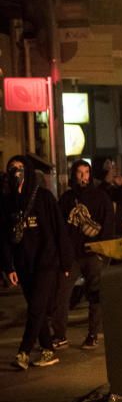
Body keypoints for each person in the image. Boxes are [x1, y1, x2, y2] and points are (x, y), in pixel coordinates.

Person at [1, 157, 73, 369]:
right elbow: (4, 238)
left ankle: (23, 351)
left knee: (36, 307)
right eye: (11, 169)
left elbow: (59, 229)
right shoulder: (7, 202)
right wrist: (9, 267)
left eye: (20, 168)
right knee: (36, 307)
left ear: (28, 172)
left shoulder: (43, 197)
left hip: (46, 261)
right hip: (24, 263)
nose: (16, 173)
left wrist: (65, 262)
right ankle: (48, 349)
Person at [51, 159, 116, 351]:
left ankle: (93, 334)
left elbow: (108, 225)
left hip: (93, 253)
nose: (83, 177)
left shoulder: (100, 197)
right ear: (74, 175)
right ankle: (60, 335)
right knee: (61, 295)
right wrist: (62, 254)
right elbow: (59, 228)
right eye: (80, 173)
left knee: (95, 294)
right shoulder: (66, 199)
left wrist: (102, 251)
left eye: (86, 173)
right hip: (71, 255)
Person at [98, 159, 122, 237]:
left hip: (119, 231)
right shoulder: (101, 188)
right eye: (111, 168)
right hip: (107, 232)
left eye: (114, 167)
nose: (115, 170)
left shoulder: (117, 188)